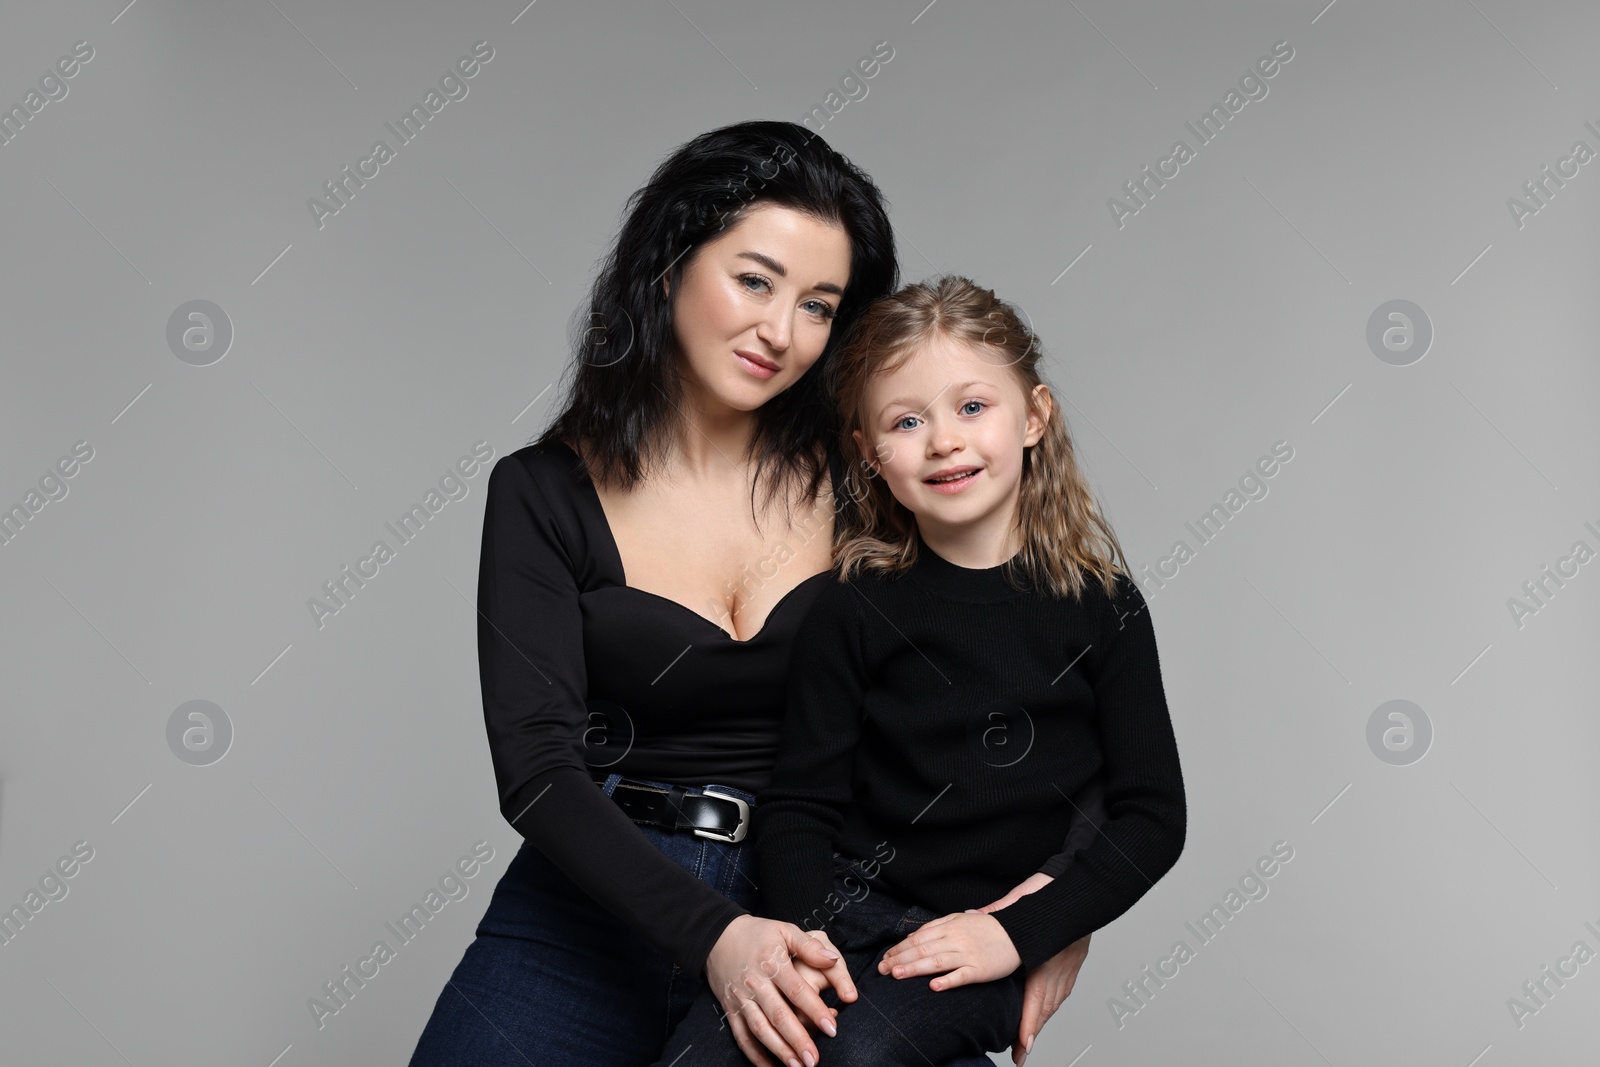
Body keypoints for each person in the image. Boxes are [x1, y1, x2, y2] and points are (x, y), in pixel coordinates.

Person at [407, 124, 1100, 1067]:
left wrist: (1062, 908)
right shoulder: (541, 491)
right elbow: (535, 769)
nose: (782, 332)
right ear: (668, 267)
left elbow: (1056, 689)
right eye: (755, 280)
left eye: (819, 305)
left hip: (829, 910)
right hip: (590, 906)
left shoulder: (873, 478)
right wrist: (718, 940)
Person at [648, 276, 1188, 1065]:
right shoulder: (853, 608)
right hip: (844, 915)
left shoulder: (1102, 607)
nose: (944, 441)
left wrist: (1016, 934)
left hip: (981, 940)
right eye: (908, 420)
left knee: (852, 1059)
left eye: (973, 407)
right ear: (869, 453)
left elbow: (1152, 817)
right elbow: (800, 804)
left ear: (1034, 416)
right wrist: (808, 946)